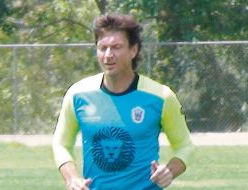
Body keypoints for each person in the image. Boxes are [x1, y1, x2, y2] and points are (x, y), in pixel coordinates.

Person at [52, 13, 195, 190]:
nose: (108, 55)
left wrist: (170, 171)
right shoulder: (78, 94)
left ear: (133, 50)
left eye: (116, 47)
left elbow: (185, 146)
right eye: (102, 48)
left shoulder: (161, 96)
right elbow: (60, 144)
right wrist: (71, 178)